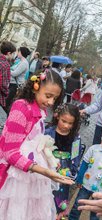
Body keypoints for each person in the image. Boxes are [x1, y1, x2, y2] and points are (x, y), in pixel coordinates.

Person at [0, 69, 74, 220]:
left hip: (30, 175)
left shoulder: (40, 109)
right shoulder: (21, 108)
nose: (51, 102)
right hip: (13, 176)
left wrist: (50, 162)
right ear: (36, 86)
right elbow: (10, 153)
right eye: (48, 96)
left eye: (55, 98)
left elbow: (36, 141)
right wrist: (44, 171)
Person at [69, 111, 102, 220]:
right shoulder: (93, 149)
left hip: (101, 190)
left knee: (96, 212)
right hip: (86, 185)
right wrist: (79, 179)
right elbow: (84, 163)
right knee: (78, 205)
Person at [45, 103, 83, 219]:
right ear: (57, 117)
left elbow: (76, 157)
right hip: (47, 168)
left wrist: (72, 172)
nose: (66, 126)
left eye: (70, 123)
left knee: (59, 197)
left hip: (64, 173)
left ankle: (56, 214)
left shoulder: (75, 138)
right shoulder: (48, 131)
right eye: (64, 121)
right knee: (46, 194)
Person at [5, 46, 31, 114]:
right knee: (7, 103)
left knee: (7, 103)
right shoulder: (20, 61)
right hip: (13, 84)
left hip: (16, 86)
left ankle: (10, 119)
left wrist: (7, 69)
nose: (17, 53)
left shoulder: (24, 63)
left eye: (18, 51)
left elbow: (15, 73)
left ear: (21, 53)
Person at [0, 41, 16, 116]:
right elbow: (4, 84)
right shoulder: (6, 65)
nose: (13, 56)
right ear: (9, 53)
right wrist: (6, 92)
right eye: (13, 54)